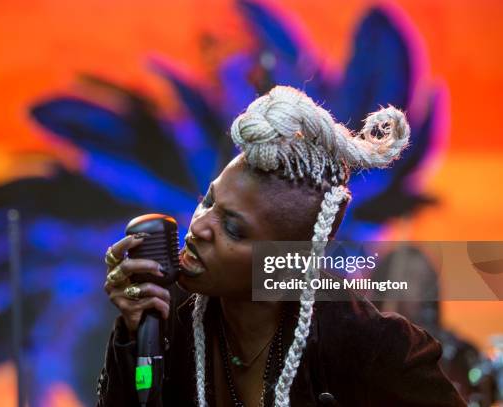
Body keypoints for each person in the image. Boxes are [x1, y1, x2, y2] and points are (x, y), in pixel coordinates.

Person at [96, 86, 465, 406]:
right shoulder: (166, 313)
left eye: (233, 229)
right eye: (208, 201)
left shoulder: (369, 345)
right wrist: (132, 339)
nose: (200, 226)